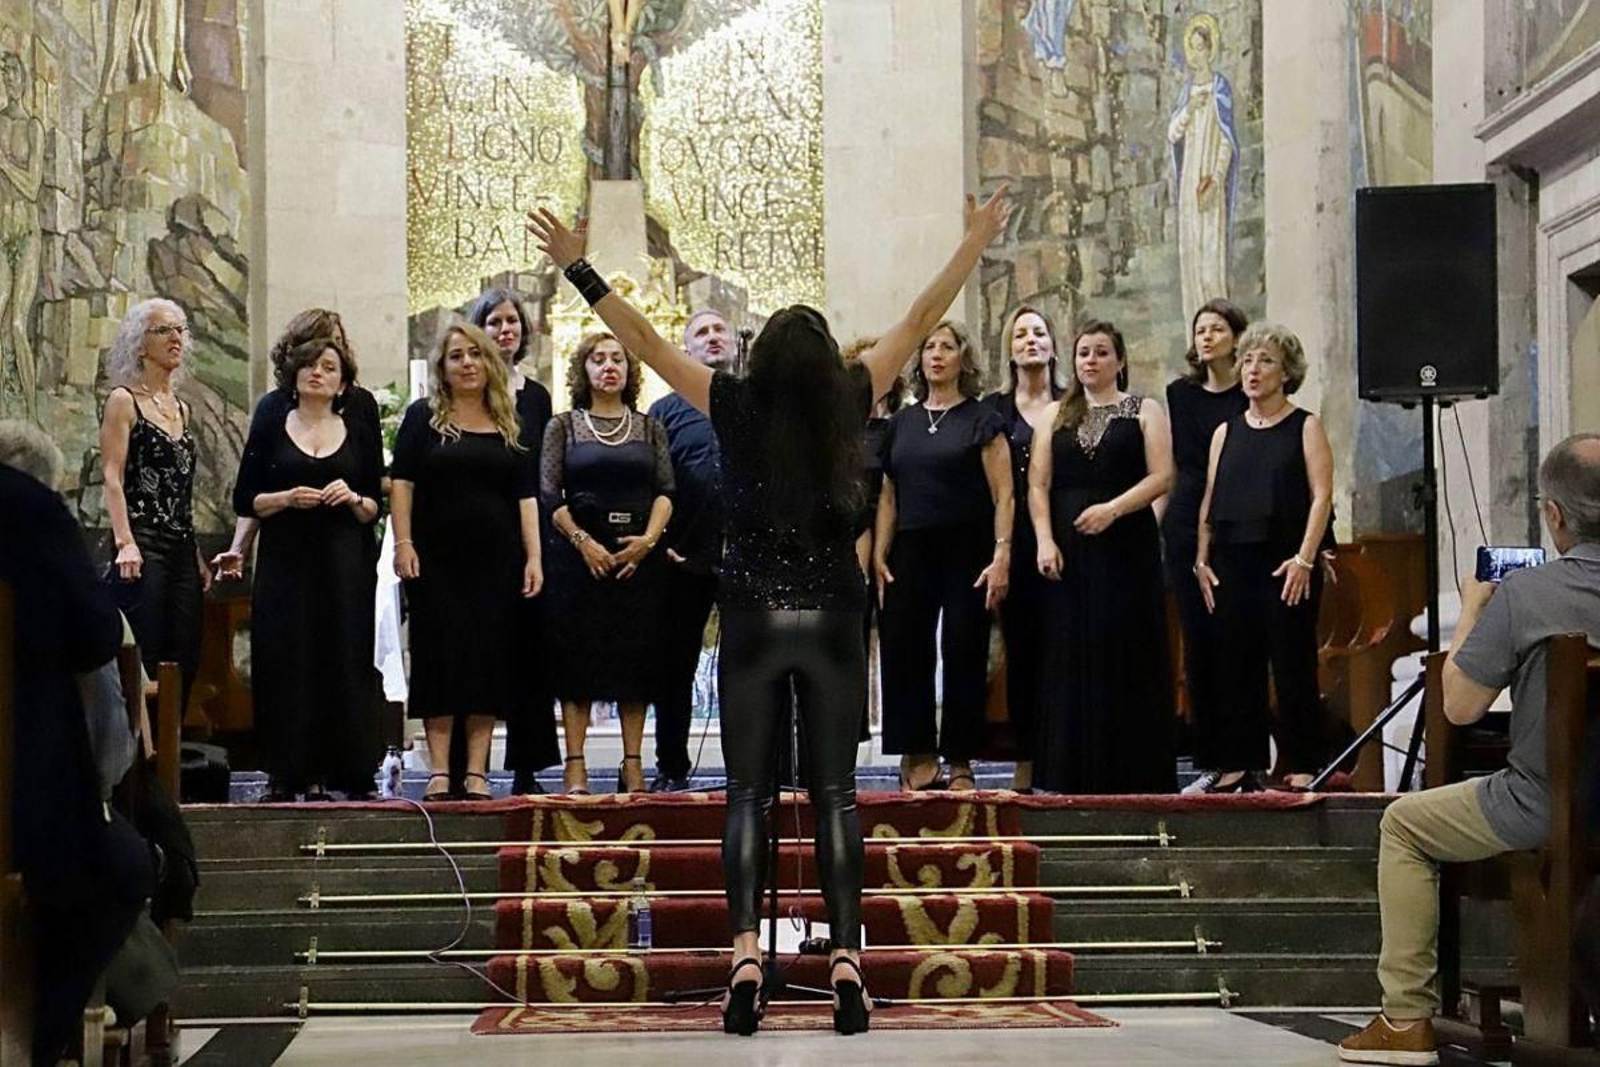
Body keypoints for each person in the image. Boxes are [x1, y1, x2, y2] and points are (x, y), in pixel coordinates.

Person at [528, 181, 1011, 1036]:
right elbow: (919, 314)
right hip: (832, 614)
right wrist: (973, 241)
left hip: (751, 611)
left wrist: (579, 268)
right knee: (835, 795)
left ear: (763, 360)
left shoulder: (732, 401)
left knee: (747, 793)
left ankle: (748, 955)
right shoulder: (852, 393)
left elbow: (642, 340)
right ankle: (847, 960)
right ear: (825, 361)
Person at [1338, 434, 1600, 1066]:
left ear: (1555, 515)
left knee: (1404, 824)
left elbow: (1459, 708)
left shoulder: (1531, 592)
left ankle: (1405, 1019)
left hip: (1549, 804)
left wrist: (1476, 610)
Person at [2, 422, 151, 1066]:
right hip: (21, 802)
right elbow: (96, 635)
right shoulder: (28, 510)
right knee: (122, 870)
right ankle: (33, 1037)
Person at [390, 325, 543, 801]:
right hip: (435, 560)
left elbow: (525, 496)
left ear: (489, 361)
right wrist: (403, 542)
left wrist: (534, 557)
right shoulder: (423, 417)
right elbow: (402, 484)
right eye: (456, 355)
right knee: (437, 657)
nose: (467, 363)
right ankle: (440, 770)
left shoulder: (507, 420)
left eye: (475, 354)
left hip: (496, 561)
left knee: (486, 660)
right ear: (443, 366)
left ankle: (476, 770)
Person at [231, 337, 384, 800]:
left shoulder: (358, 430)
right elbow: (246, 498)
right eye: (310, 366)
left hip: (343, 564)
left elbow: (374, 507)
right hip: (285, 561)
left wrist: (352, 498)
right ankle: (286, 772)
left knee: (340, 656)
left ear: (343, 384)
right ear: (294, 376)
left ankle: (339, 769)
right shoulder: (272, 424)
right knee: (285, 658)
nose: (318, 373)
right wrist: (286, 498)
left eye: (329, 367)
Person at [1029, 320, 1176, 793]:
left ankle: (1134, 772)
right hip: (1069, 548)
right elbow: (1038, 483)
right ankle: (1070, 772)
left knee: (1126, 650)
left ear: (1120, 360)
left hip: (1127, 546)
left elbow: (1163, 477)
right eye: (1083, 353)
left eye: (1101, 352)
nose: (1090, 361)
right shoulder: (1055, 414)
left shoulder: (1144, 409)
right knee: (1070, 653)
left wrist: (1113, 509)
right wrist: (1044, 539)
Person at [1194, 321, 1334, 791]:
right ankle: (1240, 761)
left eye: (1266, 361)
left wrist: (1305, 559)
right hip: (1232, 559)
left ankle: (1302, 762)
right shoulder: (1225, 431)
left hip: (1286, 561)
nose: (1253, 370)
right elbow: (1210, 499)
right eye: (1248, 360)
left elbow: (1322, 496)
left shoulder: (1305, 425)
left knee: (1292, 663)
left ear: (1286, 372)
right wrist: (1201, 560)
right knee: (1235, 664)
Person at [874, 320, 1013, 793]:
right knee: (905, 648)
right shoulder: (901, 423)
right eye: (929, 347)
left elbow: (1004, 495)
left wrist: (1002, 554)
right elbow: (888, 493)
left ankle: (960, 759)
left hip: (968, 549)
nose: (936, 354)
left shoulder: (981, 419)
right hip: (910, 548)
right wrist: (879, 553)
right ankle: (917, 754)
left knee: (963, 649)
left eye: (947, 347)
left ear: (962, 358)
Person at [541, 332, 673, 795]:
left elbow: (666, 491)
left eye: (617, 358)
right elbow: (549, 494)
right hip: (579, 561)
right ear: (583, 369)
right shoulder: (564, 426)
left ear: (630, 371)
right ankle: (575, 765)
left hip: (638, 559)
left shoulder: (650, 427)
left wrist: (648, 542)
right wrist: (582, 542)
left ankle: (633, 763)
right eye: (598, 359)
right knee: (576, 665)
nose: (609, 366)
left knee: (636, 665)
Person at [99, 297, 211, 716]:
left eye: (180, 329)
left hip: (180, 545)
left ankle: (170, 746)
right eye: (164, 330)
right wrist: (124, 541)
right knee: (146, 650)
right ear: (140, 344)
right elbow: (112, 475)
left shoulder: (182, 408)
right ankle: (139, 749)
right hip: (142, 541)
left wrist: (196, 553)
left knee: (184, 652)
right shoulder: (123, 400)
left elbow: (180, 489)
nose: (175, 338)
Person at [468, 287, 560, 795]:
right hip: (478, 530)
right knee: (476, 648)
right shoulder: (465, 390)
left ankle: (526, 767)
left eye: (512, 322)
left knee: (529, 648)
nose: (506, 331)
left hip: (529, 530)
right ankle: (467, 767)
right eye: (496, 322)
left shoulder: (537, 396)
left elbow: (544, 468)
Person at [213, 308, 383, 580]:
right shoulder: (273, 407)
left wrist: (354, 498)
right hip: (285, 549)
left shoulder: (361, 405)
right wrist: (238, 548)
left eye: (337, 344)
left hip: (345, 551)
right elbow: (252, 488)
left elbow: (373, 486)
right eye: (313, 353)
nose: (326, 357)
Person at [1164, 299, 1249, 794]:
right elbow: (1180, 465)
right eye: (1200, 330)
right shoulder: (1181, 394)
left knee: (1238, 641)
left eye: (1217, 329)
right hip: (1187, 521)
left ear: (1236, 337)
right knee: (1199, 644)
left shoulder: (1250, 393)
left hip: (1239, 521)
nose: (1207, 337)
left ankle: (1245, 753)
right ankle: (1212, 758)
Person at [646, 309, 731, 792]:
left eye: (719, 330)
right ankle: (671, 765)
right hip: (681, 557)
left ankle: (751, 766)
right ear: (686, 350)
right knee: (674, 666)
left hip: (746, 558)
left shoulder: (754, 402)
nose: (713, 337)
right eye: (702, 332)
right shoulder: (665, 412)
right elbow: (655, 482)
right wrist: (663, 543)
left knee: (747, 668)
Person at [986, 305, 1064, 792]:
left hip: (1065, 538)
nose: (1030, 340)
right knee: (1024, 651)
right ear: (1010, 350)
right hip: (1013, 542)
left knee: (1067, 650)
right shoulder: (994, 410)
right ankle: (1027, 757)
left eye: (1038, 333)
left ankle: (1066, 754)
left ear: (1053, 345)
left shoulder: (1072, 403)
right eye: (1020, 335)